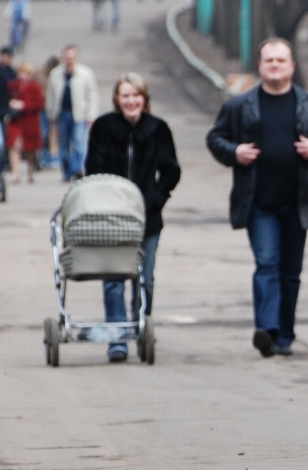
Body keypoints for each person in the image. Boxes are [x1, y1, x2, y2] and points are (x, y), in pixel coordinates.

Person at [206, 37, 308, 358]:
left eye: (280, 61)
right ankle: (267, 329)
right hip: (259, 203)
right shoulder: (240, 106)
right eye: (269, 60)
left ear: (291, 67)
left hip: (300, 203)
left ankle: (284, 333)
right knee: (267, 263)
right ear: (259, 66)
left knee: (290, 271)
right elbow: (215, 138)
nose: (274, 66)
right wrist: (234, 151)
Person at [86, 72, 180, 362]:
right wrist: (108, 197)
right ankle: (117, 338)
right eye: (125, 95)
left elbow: (171, 171)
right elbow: (92, 168)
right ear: (117, 99)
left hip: (147, 217)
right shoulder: (103, 127)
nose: (131, 101)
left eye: (136, 95)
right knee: (114, 278)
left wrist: (154, 198)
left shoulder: (158, 129)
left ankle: (141, 326)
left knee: (145, 278)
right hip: (112, 217)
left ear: (144, 99)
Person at [45, 44, 98, 181]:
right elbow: (50, 95)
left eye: (72, 57)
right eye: (67, 57)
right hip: (62, 113)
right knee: (63, 145)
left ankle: (77, 169)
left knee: (79, 143)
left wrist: (91, 115)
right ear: (63, 57)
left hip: (79, 114)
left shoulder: (85, 73)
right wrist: (50, 114)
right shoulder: (56, 74)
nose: (69, 59)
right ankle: (67, 172)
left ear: (76, 57)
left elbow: (91, 95)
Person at [7, 61, 44, 183]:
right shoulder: (13, 86)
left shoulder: (35, 87)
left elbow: (39, 104)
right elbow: (5, 98)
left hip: (30, 121)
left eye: (25, 73)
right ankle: (15, 173)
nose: (22, 75)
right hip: (16, 121)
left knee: (30, 150)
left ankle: (30, 171)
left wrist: (24, 105)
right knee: (14, 146)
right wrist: (11, 104)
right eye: (21, 72)